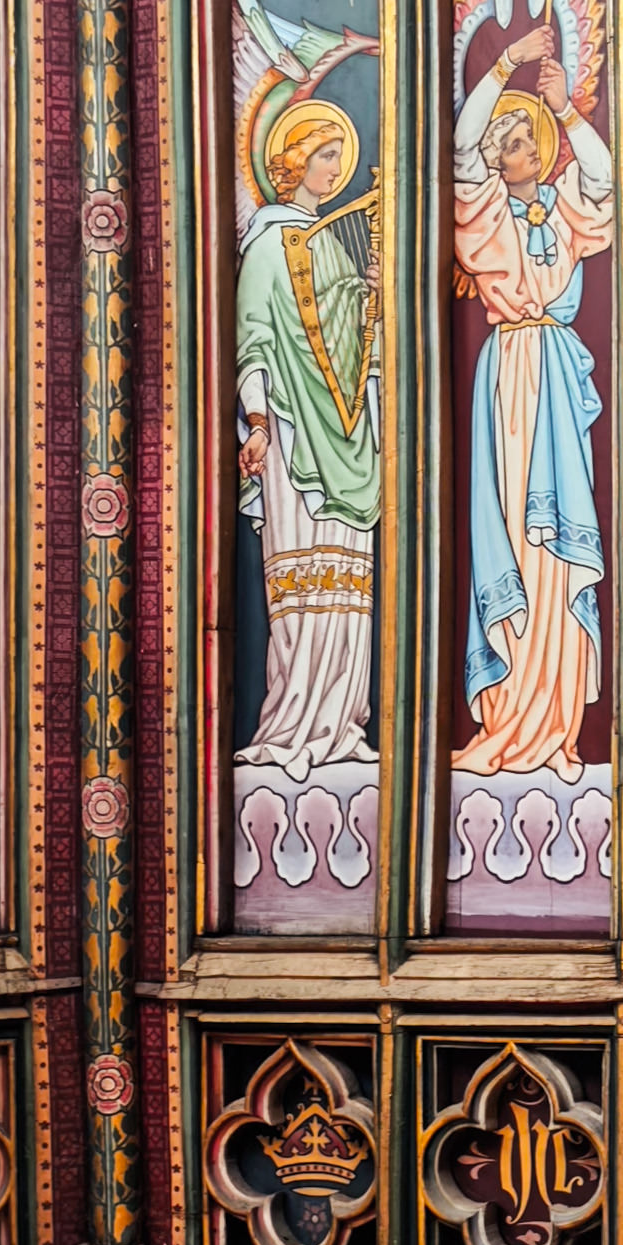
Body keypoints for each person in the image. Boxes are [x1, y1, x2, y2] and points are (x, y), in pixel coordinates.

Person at [452, 29, 615, 777]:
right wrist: (505, 64)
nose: (519, 149)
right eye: (508, 142)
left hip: (554, 371)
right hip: (512, 371)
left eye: (526, 139)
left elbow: (603, 178)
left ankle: (558, 726)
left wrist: (568, 110)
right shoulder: (486, 211)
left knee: (559, 545)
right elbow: (461, 149)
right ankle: (511, 712)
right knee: (517, 531)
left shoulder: (563, 206)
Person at [236, 95, 380, 776]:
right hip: (294, 432)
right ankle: (292, 721)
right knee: (299, 585)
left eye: (337, 156)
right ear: (293, 162)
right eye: (324, 155)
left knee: (348, 589)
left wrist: (370, 297)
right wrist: (258, 421)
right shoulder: (269, 244)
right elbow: (255, 339)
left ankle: (341, 722)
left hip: (348, 433)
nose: (333, 168)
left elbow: (353, 342)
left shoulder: (333, 246)